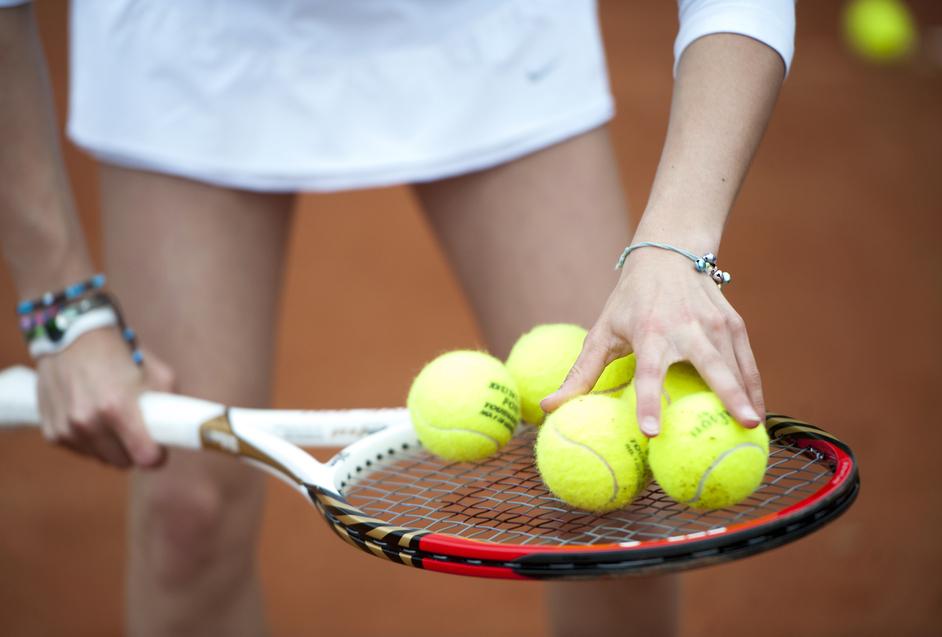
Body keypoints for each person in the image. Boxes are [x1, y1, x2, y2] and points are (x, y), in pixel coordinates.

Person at [0, 1, 793, 635]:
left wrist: (675, 245)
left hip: (483, 30)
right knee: (187, 518)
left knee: (620, 511)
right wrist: (61, 306)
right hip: (189, 40)